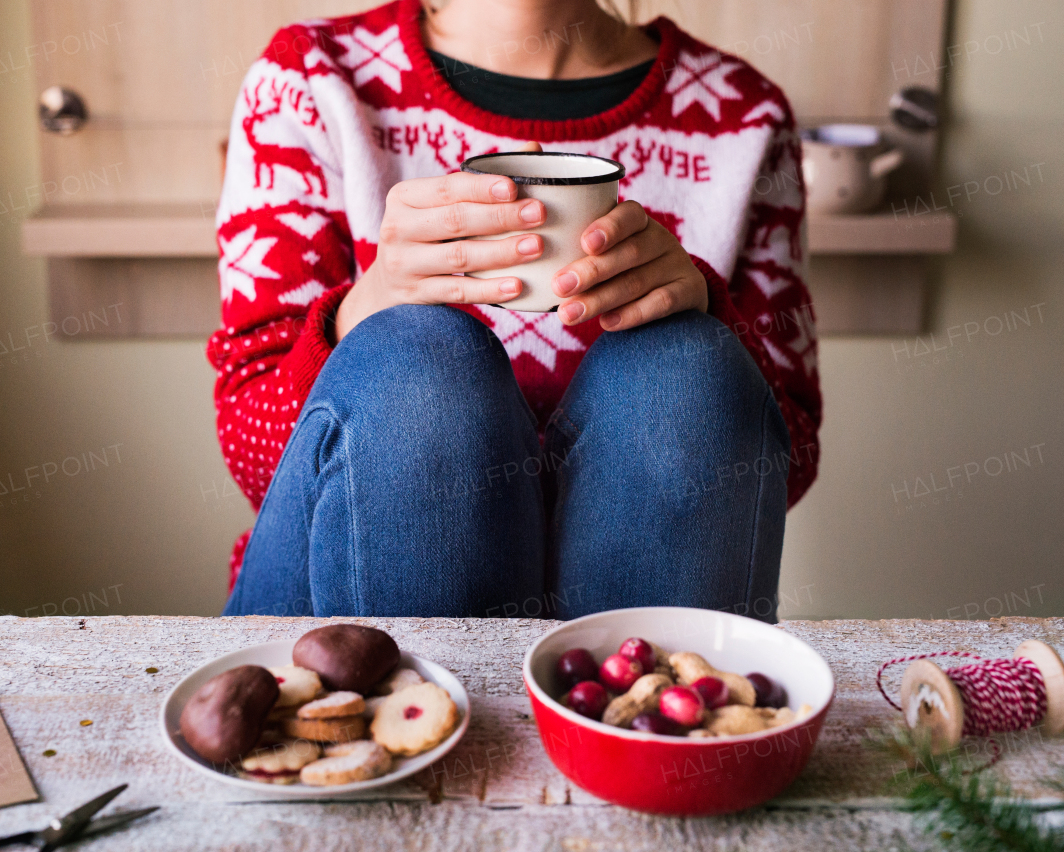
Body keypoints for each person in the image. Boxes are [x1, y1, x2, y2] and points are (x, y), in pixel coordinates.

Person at [210, 0, 821, 621]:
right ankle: (416, 712)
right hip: (328, 623)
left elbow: (785, 465)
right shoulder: (311, 79)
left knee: (685, 366)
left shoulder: (745, 115)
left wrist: (704, 307)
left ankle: (612, 709)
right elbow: (255, 461)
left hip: (620, 622)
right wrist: (370, 303)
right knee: (419, 364)